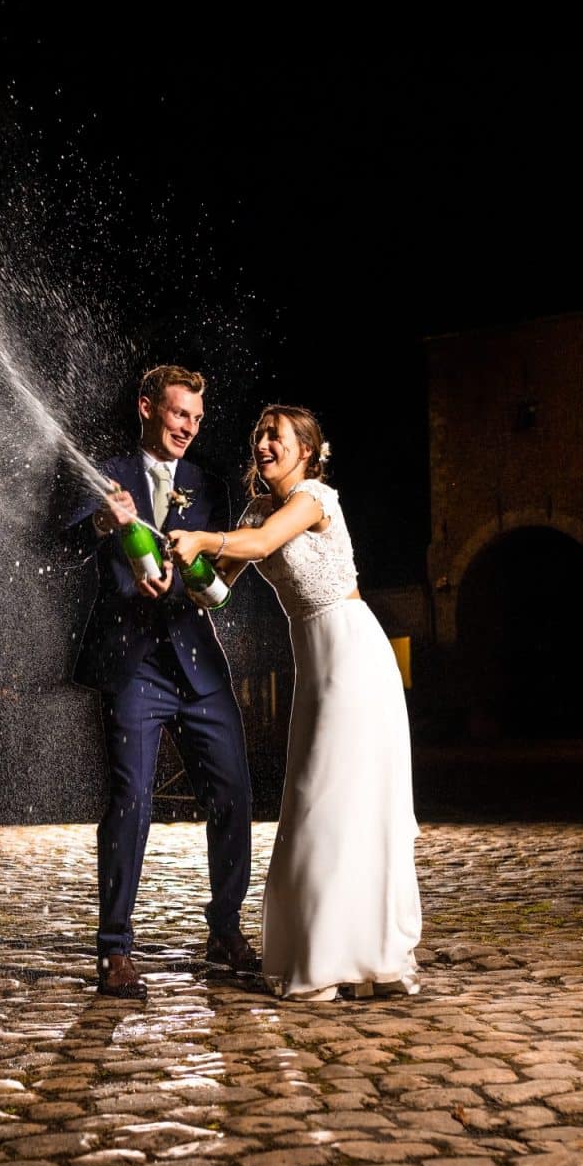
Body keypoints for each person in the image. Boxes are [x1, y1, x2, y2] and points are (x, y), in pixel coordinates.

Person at [168, 405, 421, 1001]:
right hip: (314, 667)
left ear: (306, 450)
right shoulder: (259, 510)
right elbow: (216, 588)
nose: (262, 443)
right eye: (258, 434)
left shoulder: (313, 499)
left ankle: (363, 958)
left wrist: (205, 535)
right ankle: (341, 954)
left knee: (337, 800)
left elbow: (257, 544)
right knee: (314, 797)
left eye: (274, 436)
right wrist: (171, 556)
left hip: (354, 659)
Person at [67, 364, 257, 1000]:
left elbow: (219, 567)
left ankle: (225, 929)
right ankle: (114, 951)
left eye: (197, 420)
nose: (189, 428)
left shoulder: (206, 483)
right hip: (134, 666)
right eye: (179, 414)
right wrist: (103, 522)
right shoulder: (107, 472)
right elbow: (54, 541)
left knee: (233, 792)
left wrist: (199, 579)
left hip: (199, 665)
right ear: (147, 407)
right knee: (131, 802)